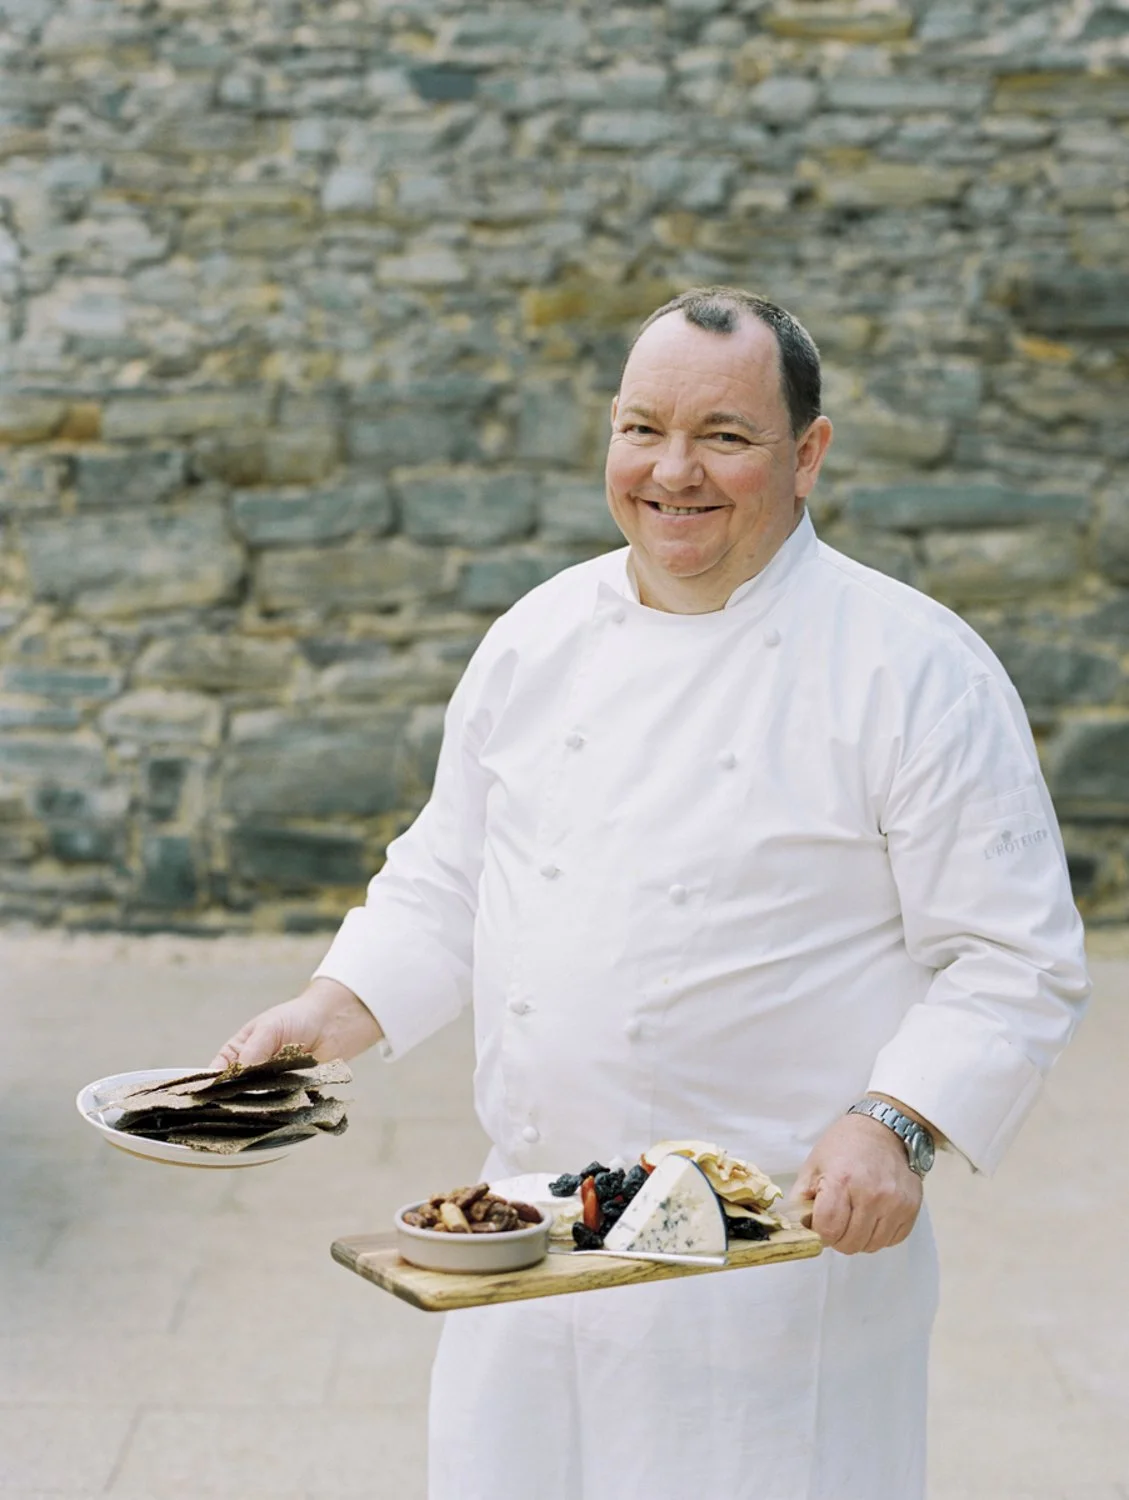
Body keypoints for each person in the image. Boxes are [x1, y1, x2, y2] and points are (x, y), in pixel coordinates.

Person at [212, 288, 1090, 1499]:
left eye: (725, 436)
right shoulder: (536, 636)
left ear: (808, 455)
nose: (674, 471)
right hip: (524, 1239)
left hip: (768, 1270)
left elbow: (1012, 956)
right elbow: (452, 869)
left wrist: (895, 1123)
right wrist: (333, 1003)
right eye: (641, 429)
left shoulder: (914, 667)